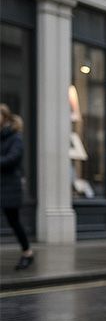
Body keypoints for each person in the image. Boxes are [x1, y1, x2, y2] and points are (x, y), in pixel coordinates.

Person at [1, 104, 34, 270]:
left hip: (9, 187)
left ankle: (27, 252)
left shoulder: (15, 137)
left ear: (5, 117)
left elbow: (13, 159)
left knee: (14, 222)